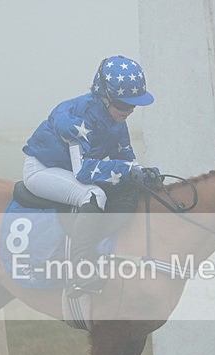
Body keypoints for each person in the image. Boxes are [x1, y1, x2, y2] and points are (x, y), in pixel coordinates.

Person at [22, 54, 158, 293]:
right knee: (93, 195)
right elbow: (84, 173)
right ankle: (80, 269)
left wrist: (143, 173)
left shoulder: (116, 120)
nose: (129, 110)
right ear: (104, 97)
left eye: (134, 105)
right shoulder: (74, 118)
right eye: (124, 104)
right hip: (41, 169)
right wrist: (128, 170)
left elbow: (126, 161)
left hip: (67, 171)